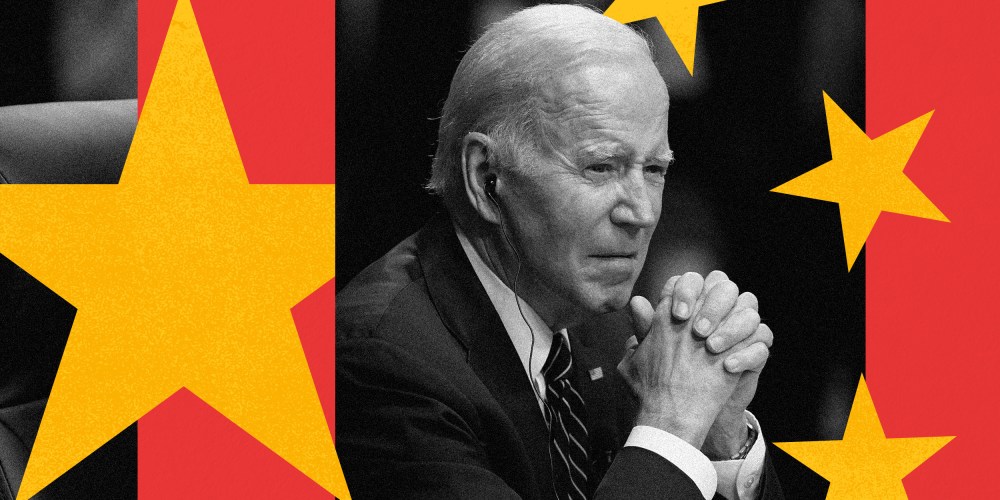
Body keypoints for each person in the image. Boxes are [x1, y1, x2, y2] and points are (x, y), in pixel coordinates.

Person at [336, 5, 781, 499]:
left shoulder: (604, 325)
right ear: (487, 178)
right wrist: (672, 424)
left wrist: (717, 437)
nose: (641, 213)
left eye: (654, 169)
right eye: (601, 168)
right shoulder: (385, 365)